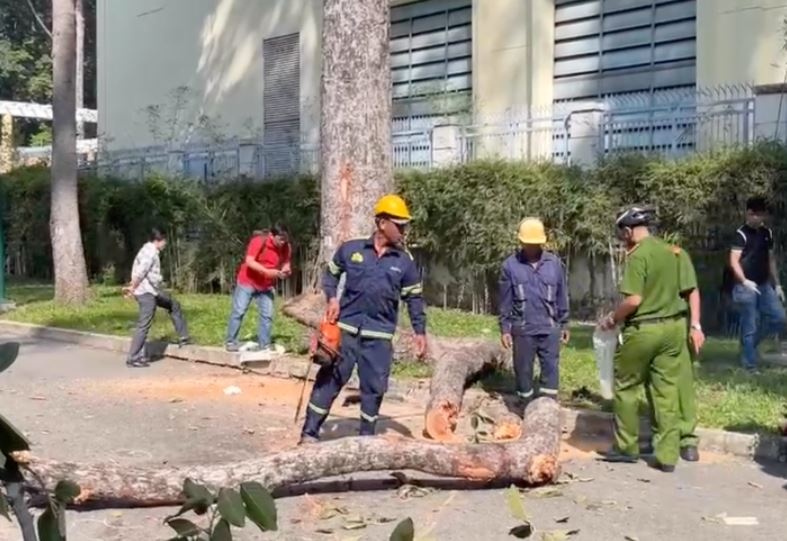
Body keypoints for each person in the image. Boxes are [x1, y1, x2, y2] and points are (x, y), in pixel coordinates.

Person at [300, 194, 427, 443]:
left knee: (374, 389)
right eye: (399, 225)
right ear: (382, 223)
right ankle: (309, 432)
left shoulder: (405, 262)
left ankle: (366, 439)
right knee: (329, 381)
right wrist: (332, 299)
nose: (403, 230)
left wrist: (419, 331)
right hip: (345, 331)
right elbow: (331, 274)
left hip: (379, 336)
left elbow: (414, 298)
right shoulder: (352, 249)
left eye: (405, 225)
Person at [599, 206, 702, 472]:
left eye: (621, 234)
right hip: (673, 330)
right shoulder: (673, 252)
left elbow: (634, 300)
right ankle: (667, 456)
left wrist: (613, 318)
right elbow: (690, 290)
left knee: (626, 386)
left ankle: (626, 448)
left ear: (627, 231)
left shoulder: (638, 255)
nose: (622, 240)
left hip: (644, 330)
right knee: (666, 391)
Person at [498, 218, 569, 409]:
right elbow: (505, 301)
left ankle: (547, 409)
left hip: (549, 328)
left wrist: (564, 323)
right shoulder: (510, 266)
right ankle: (525, 406)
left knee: (550, 370)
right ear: (521, 242)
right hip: (523, 329)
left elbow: (562, 295)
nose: (532, 247)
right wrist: (505, 328)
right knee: (523, 370)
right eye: (528, 244)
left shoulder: (554, 264)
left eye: (535, 244)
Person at [725, 196, 785, 372]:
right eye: (756, 215)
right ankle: (749, 365)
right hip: (744, 286)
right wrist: (744, 281)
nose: (759, 219)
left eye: (762, 215)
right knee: (750, 324)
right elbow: (734, 261)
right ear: (748, 214)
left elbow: (771, 259)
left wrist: (777, 285)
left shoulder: (767, 233)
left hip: (764, 284)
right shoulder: (741, 234)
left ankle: (748, 347)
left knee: (779, 318)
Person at [123, 228, 190, 368]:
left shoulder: (148, 249)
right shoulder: (150, 253)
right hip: (146, 292)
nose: (165, 244)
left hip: (152, 290)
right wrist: (132, 287)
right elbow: (140, 272)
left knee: (173, 304)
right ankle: (133, 357)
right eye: (165, 241)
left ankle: (184, 337)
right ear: (159, 240)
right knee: (144, 324)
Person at [225, 225, 292, 352]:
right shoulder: (259, 241)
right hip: (248, 281)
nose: (283, 242)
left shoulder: (286, 247)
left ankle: (264, 344)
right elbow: (249, 261)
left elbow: (286, 263)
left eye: (285, 239)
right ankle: (231, 342)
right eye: (281, 239)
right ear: (272, 236)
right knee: (239, 311)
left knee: (267, 315)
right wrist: (267, 272)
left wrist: (285, 270)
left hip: (266, 285)